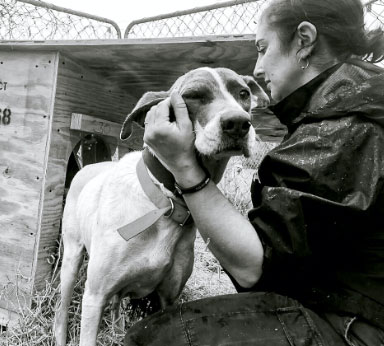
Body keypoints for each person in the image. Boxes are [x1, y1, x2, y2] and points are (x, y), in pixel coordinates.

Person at [124, 0, 384, 345]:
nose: (258, 68)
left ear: (304, 40)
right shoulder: (354, 101)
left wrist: (184, 167)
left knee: (157, 338)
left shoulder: (341, 126)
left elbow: (255, 270)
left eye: (263, 49)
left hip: (360, 326)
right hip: (358, 304)